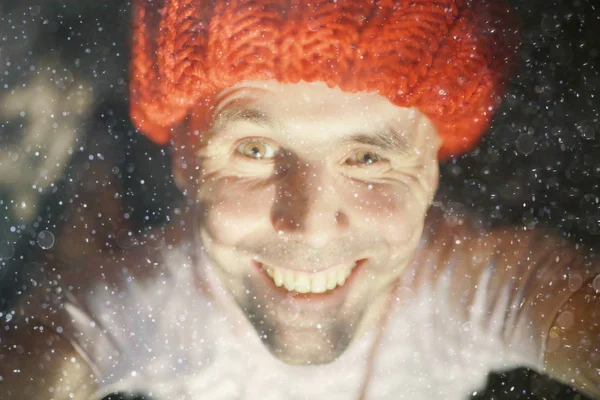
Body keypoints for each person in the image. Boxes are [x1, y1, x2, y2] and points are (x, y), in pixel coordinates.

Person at [1, 0, 599, 399]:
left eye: (367, 158)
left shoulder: (469, 287)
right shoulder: (157, 299)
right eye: (255, 150)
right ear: (186, 153)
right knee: (87, 233)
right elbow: (58, 340)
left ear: (433, 161)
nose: (310, 229)